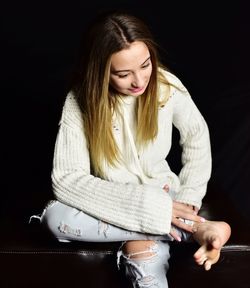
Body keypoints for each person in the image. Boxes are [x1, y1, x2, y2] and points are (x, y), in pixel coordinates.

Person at [37, 10, 231, 287]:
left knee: (139, 249)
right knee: (54, 218)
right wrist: (148, 211)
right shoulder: (79, 100)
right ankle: (197, 229)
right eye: (123, 74)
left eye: (145, 65)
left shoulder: (166, 85)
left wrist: (188, 197)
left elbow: (197, 136)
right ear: (101, 71)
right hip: (109, 200)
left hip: (165, 195)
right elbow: (66, 179)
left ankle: (180, 222)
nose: (139, 81)